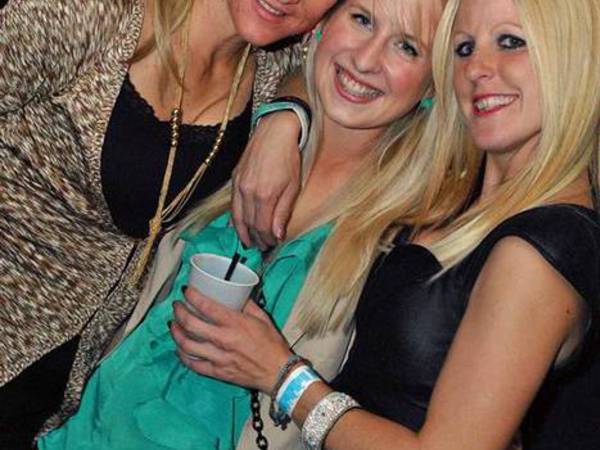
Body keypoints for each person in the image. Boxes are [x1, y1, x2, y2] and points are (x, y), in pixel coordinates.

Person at [173, 0, 600, 449]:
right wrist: (285, 116)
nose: (477, 69)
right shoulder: (463, 189)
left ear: (571, 54)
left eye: (511, 42)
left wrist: (282, 376)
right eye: (464, 48)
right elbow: (329, 65)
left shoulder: (543, 250)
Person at [37, 0, 445, 448]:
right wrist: (282, 119)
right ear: (324, 24)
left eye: (407, 47)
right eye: (362, 19)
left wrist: (282, 374)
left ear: (435, 81)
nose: (366, 60)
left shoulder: (407, 242)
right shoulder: (243, 117)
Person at [0, 0, 336, 445]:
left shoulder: (270, 69)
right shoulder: (98, 16)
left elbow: (327, 64)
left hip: (53, 397)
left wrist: (287, 117)